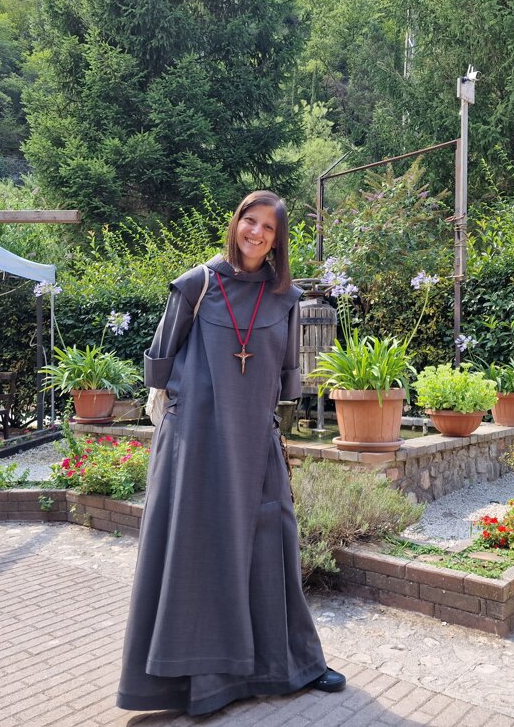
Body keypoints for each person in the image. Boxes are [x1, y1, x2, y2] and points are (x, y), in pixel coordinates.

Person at [117, 191, 346, 715]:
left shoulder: (287, 299)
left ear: (278, 240)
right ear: (236, 222)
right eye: (250, 220)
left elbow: (285, 378)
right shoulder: (196, 284)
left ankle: (292, 665)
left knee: (271, 546)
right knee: (195, 549)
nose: (256, 232)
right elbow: (160, 361)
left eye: (269, 227)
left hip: (254, 441)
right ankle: (190, 683)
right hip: (195, 440)